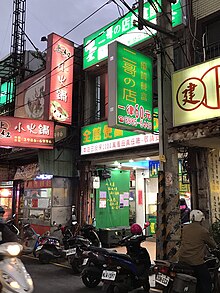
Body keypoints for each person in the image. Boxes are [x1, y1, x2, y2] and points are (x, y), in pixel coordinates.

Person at [178, 209, 217, 293]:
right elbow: (213, 245)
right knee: (206, 280)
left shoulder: (184, 228)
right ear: (201, 219)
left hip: (182, 259)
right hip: (195, 262)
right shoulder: (203, 231)